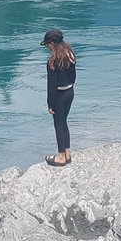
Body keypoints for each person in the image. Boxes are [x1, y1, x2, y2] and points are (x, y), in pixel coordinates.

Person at [41, 28, 76, 167]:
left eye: (47, 44)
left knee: (58, 124)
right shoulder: (70, 55)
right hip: (70, 92)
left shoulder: (53, 62)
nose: (47, 47)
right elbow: (73, 77)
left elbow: (51, 85)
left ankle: (61, 157)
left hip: (60, 95)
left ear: (52, 44)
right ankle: (68, 153)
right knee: (64, 122)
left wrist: (50, 104)